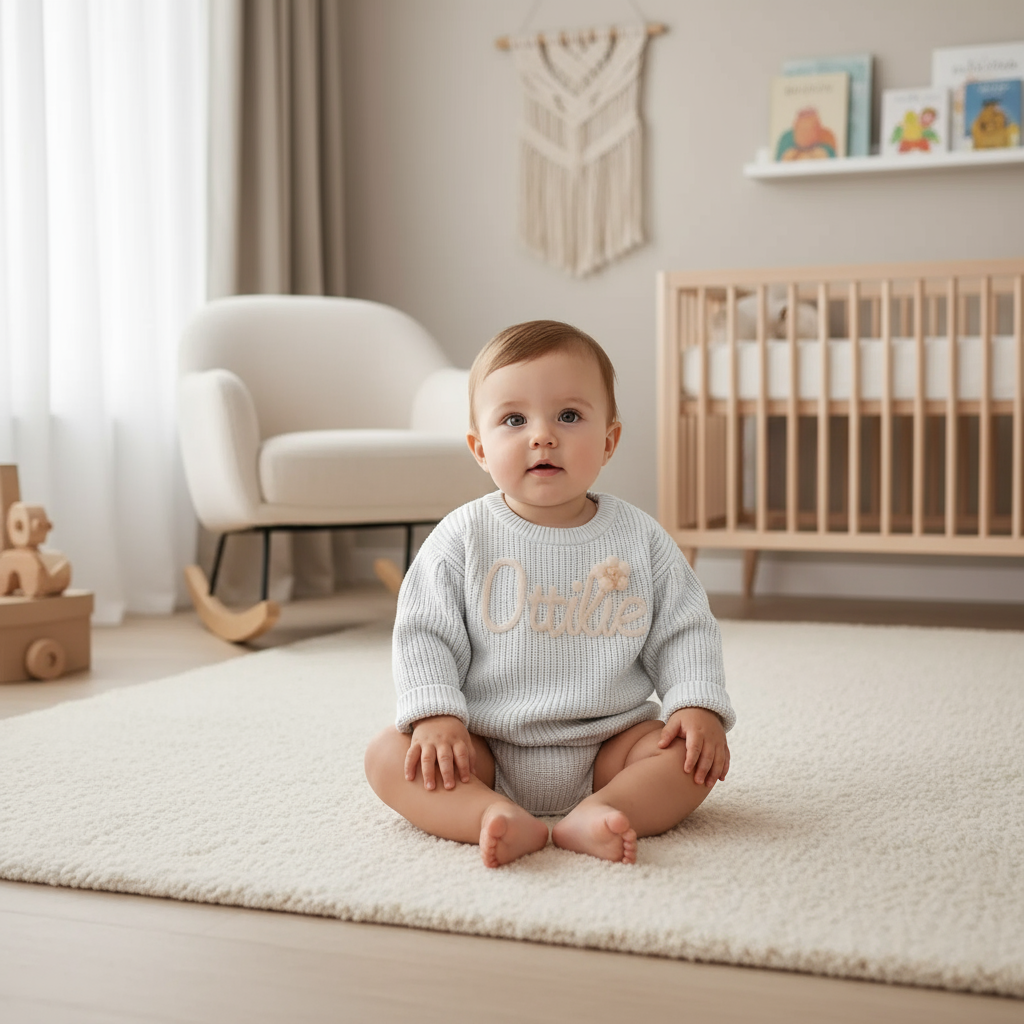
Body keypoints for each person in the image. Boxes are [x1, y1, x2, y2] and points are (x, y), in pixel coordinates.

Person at [364, 320, 734, 868]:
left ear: (608, 441)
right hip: (485, 745)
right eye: (514, 419)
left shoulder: (640, 538)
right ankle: (489, 814)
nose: (543, 435)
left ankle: (604, 811)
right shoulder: (461, 537)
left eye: (568, 416)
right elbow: (424, 632)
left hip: (611, 744)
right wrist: (436, 715)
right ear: (480, 448)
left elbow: (684, 626)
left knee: (689, 757)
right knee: (387, 758)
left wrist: (696, 702)